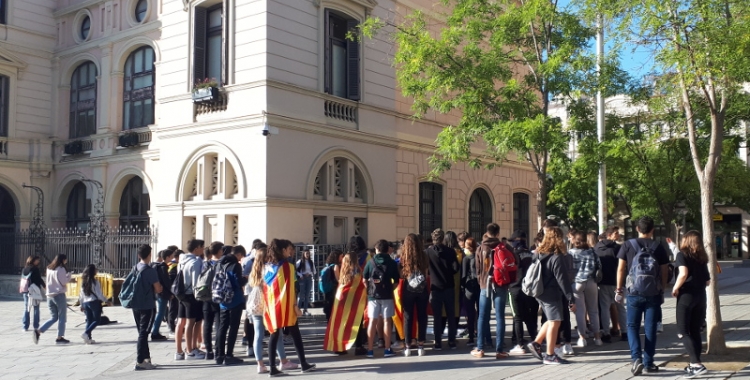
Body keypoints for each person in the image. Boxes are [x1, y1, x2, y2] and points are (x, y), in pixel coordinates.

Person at [616, 216, 670, 376]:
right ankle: (649, 362)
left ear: (637, 229)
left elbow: (620, 269)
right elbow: (665, 270)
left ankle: (636, 358)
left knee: (632, 326)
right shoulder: (659, 246)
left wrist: (619, 289)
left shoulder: (628, 245)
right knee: (650, 328)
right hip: (653, 292)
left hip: (633, 292)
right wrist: (662, 287)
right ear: (652, 230)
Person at [264, 239, 316, 376]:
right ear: (282, 251)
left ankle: (273, 368)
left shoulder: (269, 266)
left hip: (272, 305)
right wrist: (295, 306)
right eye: (288, 249)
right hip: (285, 305)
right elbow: (291, 289)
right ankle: (303, 364)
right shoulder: (288, 266)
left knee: (274, 335)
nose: (290, 251)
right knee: (295, 334)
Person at [527, 226, 575, 365]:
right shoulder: (556, 257)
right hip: (551, 293)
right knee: (555, 321)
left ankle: (536, 343)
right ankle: (550, 354)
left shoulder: (539, 254)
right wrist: (570, 298)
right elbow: (563, 280)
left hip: (539, 291)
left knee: (551, 319)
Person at [248, 244, 298, 374]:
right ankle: (283, 361)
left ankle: (260, 364)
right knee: (276, 333)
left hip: (254, 304)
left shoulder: (254, 271)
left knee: (258, 335)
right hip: (267, 303)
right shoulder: (269, 269)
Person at [673, 231, 710, 378]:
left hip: (686, 296)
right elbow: (707, 280)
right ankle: (695, 362)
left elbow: (683, 273)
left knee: (683, 331)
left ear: (686, 240)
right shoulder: (702, 257)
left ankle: (696, 364)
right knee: (695, 330)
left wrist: (676, 287)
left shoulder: (682, 255)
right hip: (701, 296)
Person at [472, 223, 511, 359]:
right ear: (498, 233)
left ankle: (480, 348)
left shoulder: (481, 248)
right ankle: (499, 349)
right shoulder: (504, 246)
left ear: (486, 232)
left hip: (485, 285)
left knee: (483, 316)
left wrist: (481, 281)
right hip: (500, 284)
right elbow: (513, 262)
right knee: (500, 316)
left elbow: (476, 268)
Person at [324, 250, 368, 355]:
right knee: (357, 322)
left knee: (341, 323)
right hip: (355, 301)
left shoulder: (343, 271)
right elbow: (360, 286)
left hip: (342, 300)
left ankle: (340, 347)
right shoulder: (358, 270)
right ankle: (359, 346)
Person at [363, 239, 400, 358]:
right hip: (387, 295)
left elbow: (364, 279)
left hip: (372, 296)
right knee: (387, 321)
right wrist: (390, 289)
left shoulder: (371, 262)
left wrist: (369, 289)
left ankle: (369, 350)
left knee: (372, 321)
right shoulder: (392, 262)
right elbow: (396, 281)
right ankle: (387, 349)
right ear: (387, 249)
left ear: (377, 249)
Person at [128, 245, 162, 370]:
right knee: (144, 333)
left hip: (136, 304)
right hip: (147, 305)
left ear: (138, 255)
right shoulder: (150, 270)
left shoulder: (135, 268)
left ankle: (146, 358)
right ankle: (140, 361)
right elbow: (158, 288)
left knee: (142, 332)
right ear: (149, 255)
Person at [214, 245, 248, 365]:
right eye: (241, 256)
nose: (240, 259)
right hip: (235, 300)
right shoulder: (235, 265)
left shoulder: (219, 263)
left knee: (222, 327)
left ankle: (219, 355)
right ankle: (229, 355)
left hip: (223, 300)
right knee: (233, 328)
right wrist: (245, 279)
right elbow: (238, 282)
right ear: (238, 254)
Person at [426, 229, 459, 351]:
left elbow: (426, 269)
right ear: (443, 238)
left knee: (437, 317)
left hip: (435, 287)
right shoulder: (450, 251)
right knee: (451, 315)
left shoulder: (428, 252)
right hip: (449, 286)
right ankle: (451, 341)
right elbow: (456, 268)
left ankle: (438, 342)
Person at [569, 231, 603, 347]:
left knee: (580, 311)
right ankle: (597, 337)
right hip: (591, 281)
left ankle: (582, 338)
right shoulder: (592, 252)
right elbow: (599, 265)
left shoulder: (571, 253)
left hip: (577, 282)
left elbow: (568, 269)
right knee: (593, 311)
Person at [175, 239, 206, 361]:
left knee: (181, 322)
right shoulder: (196, 262)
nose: (203, 249)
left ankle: (179, 351)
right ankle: (191, 350)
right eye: (202, 247)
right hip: (192, 295)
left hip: (181, 293)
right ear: (196, 248)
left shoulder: (182, 260)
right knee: (193, 323)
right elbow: (196, 282)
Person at [508, 231, 539, 354]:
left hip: (515, 288)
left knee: (517, 318)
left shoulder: (513, 255)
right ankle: (535, 341)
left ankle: (520, 345)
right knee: (529, 318)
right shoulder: (533, 256)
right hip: (529, 290)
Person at [400, 233, 429, 357]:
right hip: (422, 289)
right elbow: (427, 274)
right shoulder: (424, 255)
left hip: (408, 290)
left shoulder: (403, 257)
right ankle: (421, 345)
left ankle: (407, 346)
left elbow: (401, 275)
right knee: (422, 316)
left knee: (408, 317)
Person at [595, 226, 626, 343]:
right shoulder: (618, 248)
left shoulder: (597, 248)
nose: (618, 235)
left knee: (604, 308)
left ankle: (606, 333)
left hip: (603, 282)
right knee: (621, 307)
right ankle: (624, 332)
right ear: (609, 235)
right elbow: (622, 265)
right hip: (617, 281)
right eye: (616, 233)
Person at [33, 254, 70, 345]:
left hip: (49, 295)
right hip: (59, 294)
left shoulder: (49, 268)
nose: (66, 261)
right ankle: (59, 337)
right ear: (63, 260)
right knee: (62, 317)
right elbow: (63, 281)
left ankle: (38, 331)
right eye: (65, 260)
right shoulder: (60, 269)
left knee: (53, 317)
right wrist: (69, 276)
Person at [79, 264, 111, 344]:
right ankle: (86, 333)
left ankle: (88, 339)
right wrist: (106, 300)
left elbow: (81, 294)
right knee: (97, 320)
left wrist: (81, 304)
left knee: (89, 320)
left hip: (85, 302)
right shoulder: (95, 282)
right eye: (95, 269)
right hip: (94, 302)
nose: (97, 270)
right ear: (93, 271)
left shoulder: (83, 282)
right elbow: (99, 294)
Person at [203, 242, 224, 361]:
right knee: (219, 324)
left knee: (207, 324)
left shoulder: (205, 264)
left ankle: (208, 351)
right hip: (218, 296)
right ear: (220, 251)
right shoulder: (221, 264)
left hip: (206, 296)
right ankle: (218, 350)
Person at [149, 248, 174, 341]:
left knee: (161, 312)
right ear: (167, 257)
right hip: (163, 293)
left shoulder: (157, 266)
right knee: (161, 312)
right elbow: (166, 282)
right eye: (171, 256)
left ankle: (155, 331)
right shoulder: (163, 267)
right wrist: (171, 292)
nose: (172, 258)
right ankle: (155, 332)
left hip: (159, 292)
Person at [461, 237, 479, 346]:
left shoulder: (466, 259)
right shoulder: (478, 257)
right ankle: (482, 336)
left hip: (469, 288)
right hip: (479, 287)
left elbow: (463, 276)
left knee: (470, 314)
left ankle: (471, 337)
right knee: (481, 313)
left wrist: (462, 287)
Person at [21, 256, 45, 332]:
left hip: (25, 290)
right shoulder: (35, 269)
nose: (38, 261)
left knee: (26, 308)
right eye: (37, 260)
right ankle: (36, 326)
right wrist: (44, 286)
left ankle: (25, 326)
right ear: (33, 261)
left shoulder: (24, 269)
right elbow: (39, 279)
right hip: (34, 291)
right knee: (36, 308)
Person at [322, 250, 342, 321]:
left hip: (327, 289)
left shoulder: (328, 265)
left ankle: (328, 320)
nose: (342, 258)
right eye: (341, 256)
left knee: (328, 305)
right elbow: (338, 280)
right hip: (333, 290)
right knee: (332, 306)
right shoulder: (336, 266)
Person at [296, 250, 316, 316]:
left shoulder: (311, 262)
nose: (307, 255)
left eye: (308, 253)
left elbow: (314, 271)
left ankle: (305, 310)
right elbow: (294, 270)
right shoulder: (300, 261)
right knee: (301, 295)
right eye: (306, 253)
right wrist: (301, 275)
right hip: (302, 279)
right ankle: (298, 309)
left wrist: (310, 273)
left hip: (309, 278)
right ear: (303, 254)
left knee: (307, 295)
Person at [167, 248, 181, 335]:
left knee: (174, 309)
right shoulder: (173, 266)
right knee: (173, 309)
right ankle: (171, 327)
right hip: (174, 291)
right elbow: (171, 280)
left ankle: (173, 326)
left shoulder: (170, 265)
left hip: (173, 291)